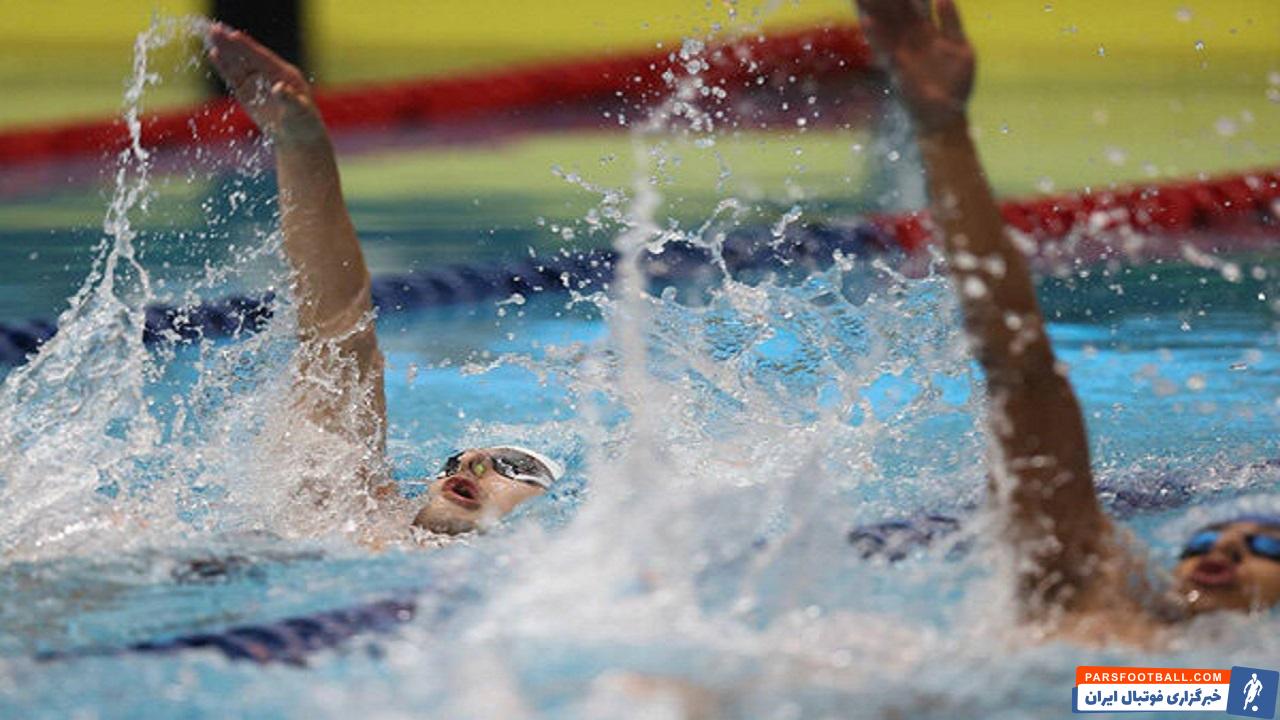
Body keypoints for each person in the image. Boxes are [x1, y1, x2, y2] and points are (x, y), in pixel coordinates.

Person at [854, 0, 1280, 645]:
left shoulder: (1228, 685)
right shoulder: (1088, 599)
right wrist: (943, 130)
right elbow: (1020, 367)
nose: (1223, 548)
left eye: (1266, 545)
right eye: (1208, 537)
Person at [205, 26, 563, 540]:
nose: (473, 461)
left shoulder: (554, 572)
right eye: (455, 461)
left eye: (514, 467)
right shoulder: (352, 510)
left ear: (547, 514)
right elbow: (339, 328)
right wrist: (299, 140)